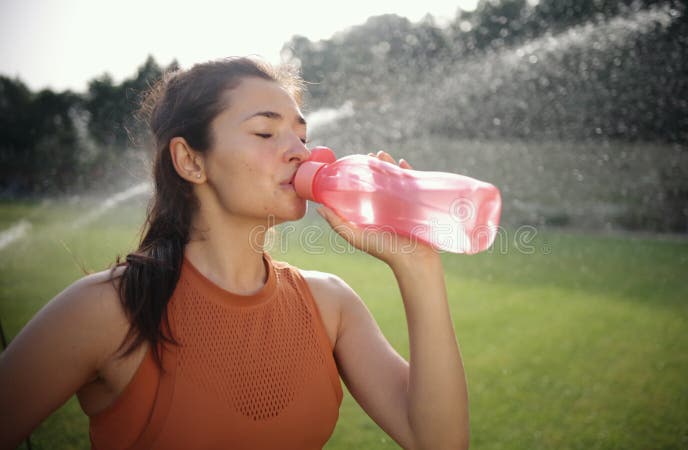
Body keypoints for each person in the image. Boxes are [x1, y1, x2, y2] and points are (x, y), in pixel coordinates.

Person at [0, 57, 469, 450]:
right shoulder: (106, 310)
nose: (302, 153)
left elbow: (439, 443)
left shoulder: (330, 305)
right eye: (266, 133)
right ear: (190, 161)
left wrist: (417, 263)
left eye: (301, 136)